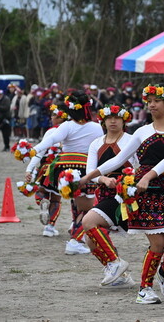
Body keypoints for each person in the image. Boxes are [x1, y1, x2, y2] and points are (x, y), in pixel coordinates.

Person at [79, 83, 164, 304]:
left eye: (156, 100)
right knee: (158, 245)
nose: (151, 104)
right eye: (149, 101)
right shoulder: (142, 131)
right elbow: (118, 159)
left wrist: (148, 176)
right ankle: (144, 289)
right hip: (144, 194)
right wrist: (89, 176)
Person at [32, 91, 104, 254]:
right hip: (85, 169)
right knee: (89, 208)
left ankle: (71, 228)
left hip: (63, 170)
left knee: (75, 201)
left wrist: (33, 150)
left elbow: (50, 140)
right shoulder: (97, 127)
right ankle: (75, 240)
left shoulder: (66, 126)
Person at [82, 104, 137, 289]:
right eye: (109, 118)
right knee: (90, 239)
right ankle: (120, 276)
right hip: (104, 193)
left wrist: (128, 183)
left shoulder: (132, 140)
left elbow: (139, 167)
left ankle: (115, 263)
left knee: (88, 222)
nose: (113, 121)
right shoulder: (96, 143)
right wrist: (103, 179)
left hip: (126, 196)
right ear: (103, 121)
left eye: (117, 118)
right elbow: (90, 171)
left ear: (124, 120)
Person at [25, 104, 69, 237]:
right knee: (56, 199)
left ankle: (42, 202)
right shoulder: (71, 131)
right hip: (62, 168)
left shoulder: (50, 132)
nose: (51, 118)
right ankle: (50, 227)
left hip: (46, 167)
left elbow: (40, 151)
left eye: (54, 116)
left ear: (60, 119)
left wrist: (29, 169)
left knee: (41, 191)